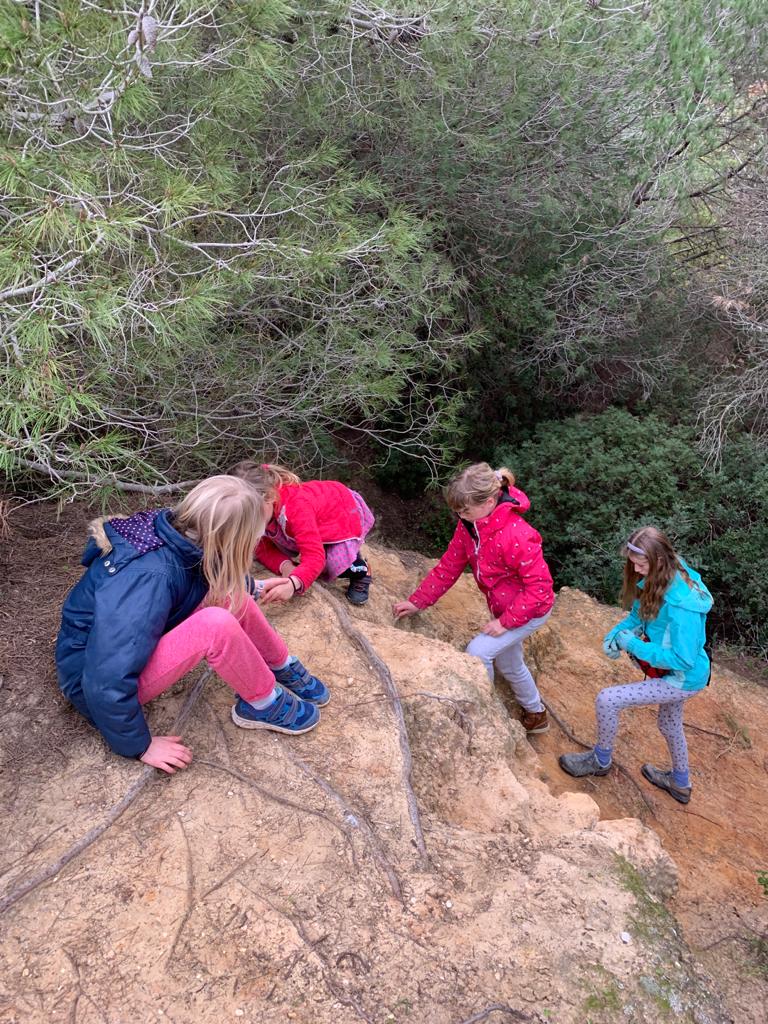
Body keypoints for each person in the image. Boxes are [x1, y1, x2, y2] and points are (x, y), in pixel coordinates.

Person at [55, 476, 330, 774]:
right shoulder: (150, 578)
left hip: (121, 652)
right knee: (214, 625)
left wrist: (254, 587)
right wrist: (139, 745)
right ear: (232, 541)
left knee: (233, 595)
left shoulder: (181, 530)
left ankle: (280, 664)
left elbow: (205, 568)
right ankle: (263, 704)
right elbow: (104, 676)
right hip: (91, 684)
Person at [392, 463, 555, 734]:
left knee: (478, 653)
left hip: (530, 610)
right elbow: (450, 565)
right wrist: (418, 601)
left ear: (489, 502)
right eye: (458, 511)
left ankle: (485, 715)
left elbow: (540, 588)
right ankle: (536, 715)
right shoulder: (470, 526)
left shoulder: (518, 534)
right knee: (509, 663)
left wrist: (505, 622)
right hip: (504, 605)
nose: (461, 515)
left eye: (465, 510)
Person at [559, 526, 713, 804]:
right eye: (633, 564)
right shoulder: (664, 574)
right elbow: (638, 616)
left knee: (607, 699)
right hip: (677, 674)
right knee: (669, 724)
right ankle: (680, 784)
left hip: (682, 677)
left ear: (659, 560)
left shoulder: (683, 606)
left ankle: (600, 760)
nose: (637, 570)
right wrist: (615, 634)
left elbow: (683, 658)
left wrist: (633, 645)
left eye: (641, 565)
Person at [229, 461, 375, 606]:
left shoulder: (296, 508)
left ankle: (360, 569)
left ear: (269, 497)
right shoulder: (264, 509)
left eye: (252, 515)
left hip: (342, 512)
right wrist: (286, 566)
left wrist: (293, 584)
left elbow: (315, 556)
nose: (250, 522)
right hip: (314, 517)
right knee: (294, 546)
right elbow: (261, 548)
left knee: (331, 566)